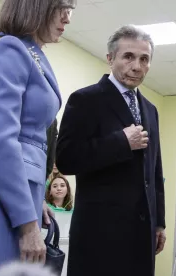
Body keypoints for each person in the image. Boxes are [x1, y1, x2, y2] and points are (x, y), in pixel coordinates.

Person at [0, 1, 75, 275]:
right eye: (63, 6)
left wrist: (36, 200)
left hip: (17, 188)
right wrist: (27, 223)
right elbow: (1, 138)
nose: (68, 16)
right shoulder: (11, 49)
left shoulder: (34, 54)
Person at [56, 24, 166, 276]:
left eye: (144, 59)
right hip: (100, 233)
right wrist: (121, 142)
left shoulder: (150, 109)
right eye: (128, 56)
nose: (136, 66)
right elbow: (66, 159)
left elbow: (154, 169)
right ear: (110, 58)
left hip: (142, 234)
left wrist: (159, 222)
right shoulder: (85, 100)